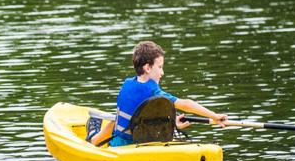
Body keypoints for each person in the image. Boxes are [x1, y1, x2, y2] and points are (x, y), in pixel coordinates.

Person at [90, 41, 227, 147]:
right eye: (160, 67)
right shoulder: (153, 91)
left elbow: (140, 118)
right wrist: (214, 116)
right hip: (134, 146)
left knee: (115, 120)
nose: (162, 72)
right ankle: (93, 136)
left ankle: (93, 139)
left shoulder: (126, 84)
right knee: (114, 122)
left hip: (119, 143)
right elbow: (185, 104)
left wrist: (173, 124)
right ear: (148, 67)